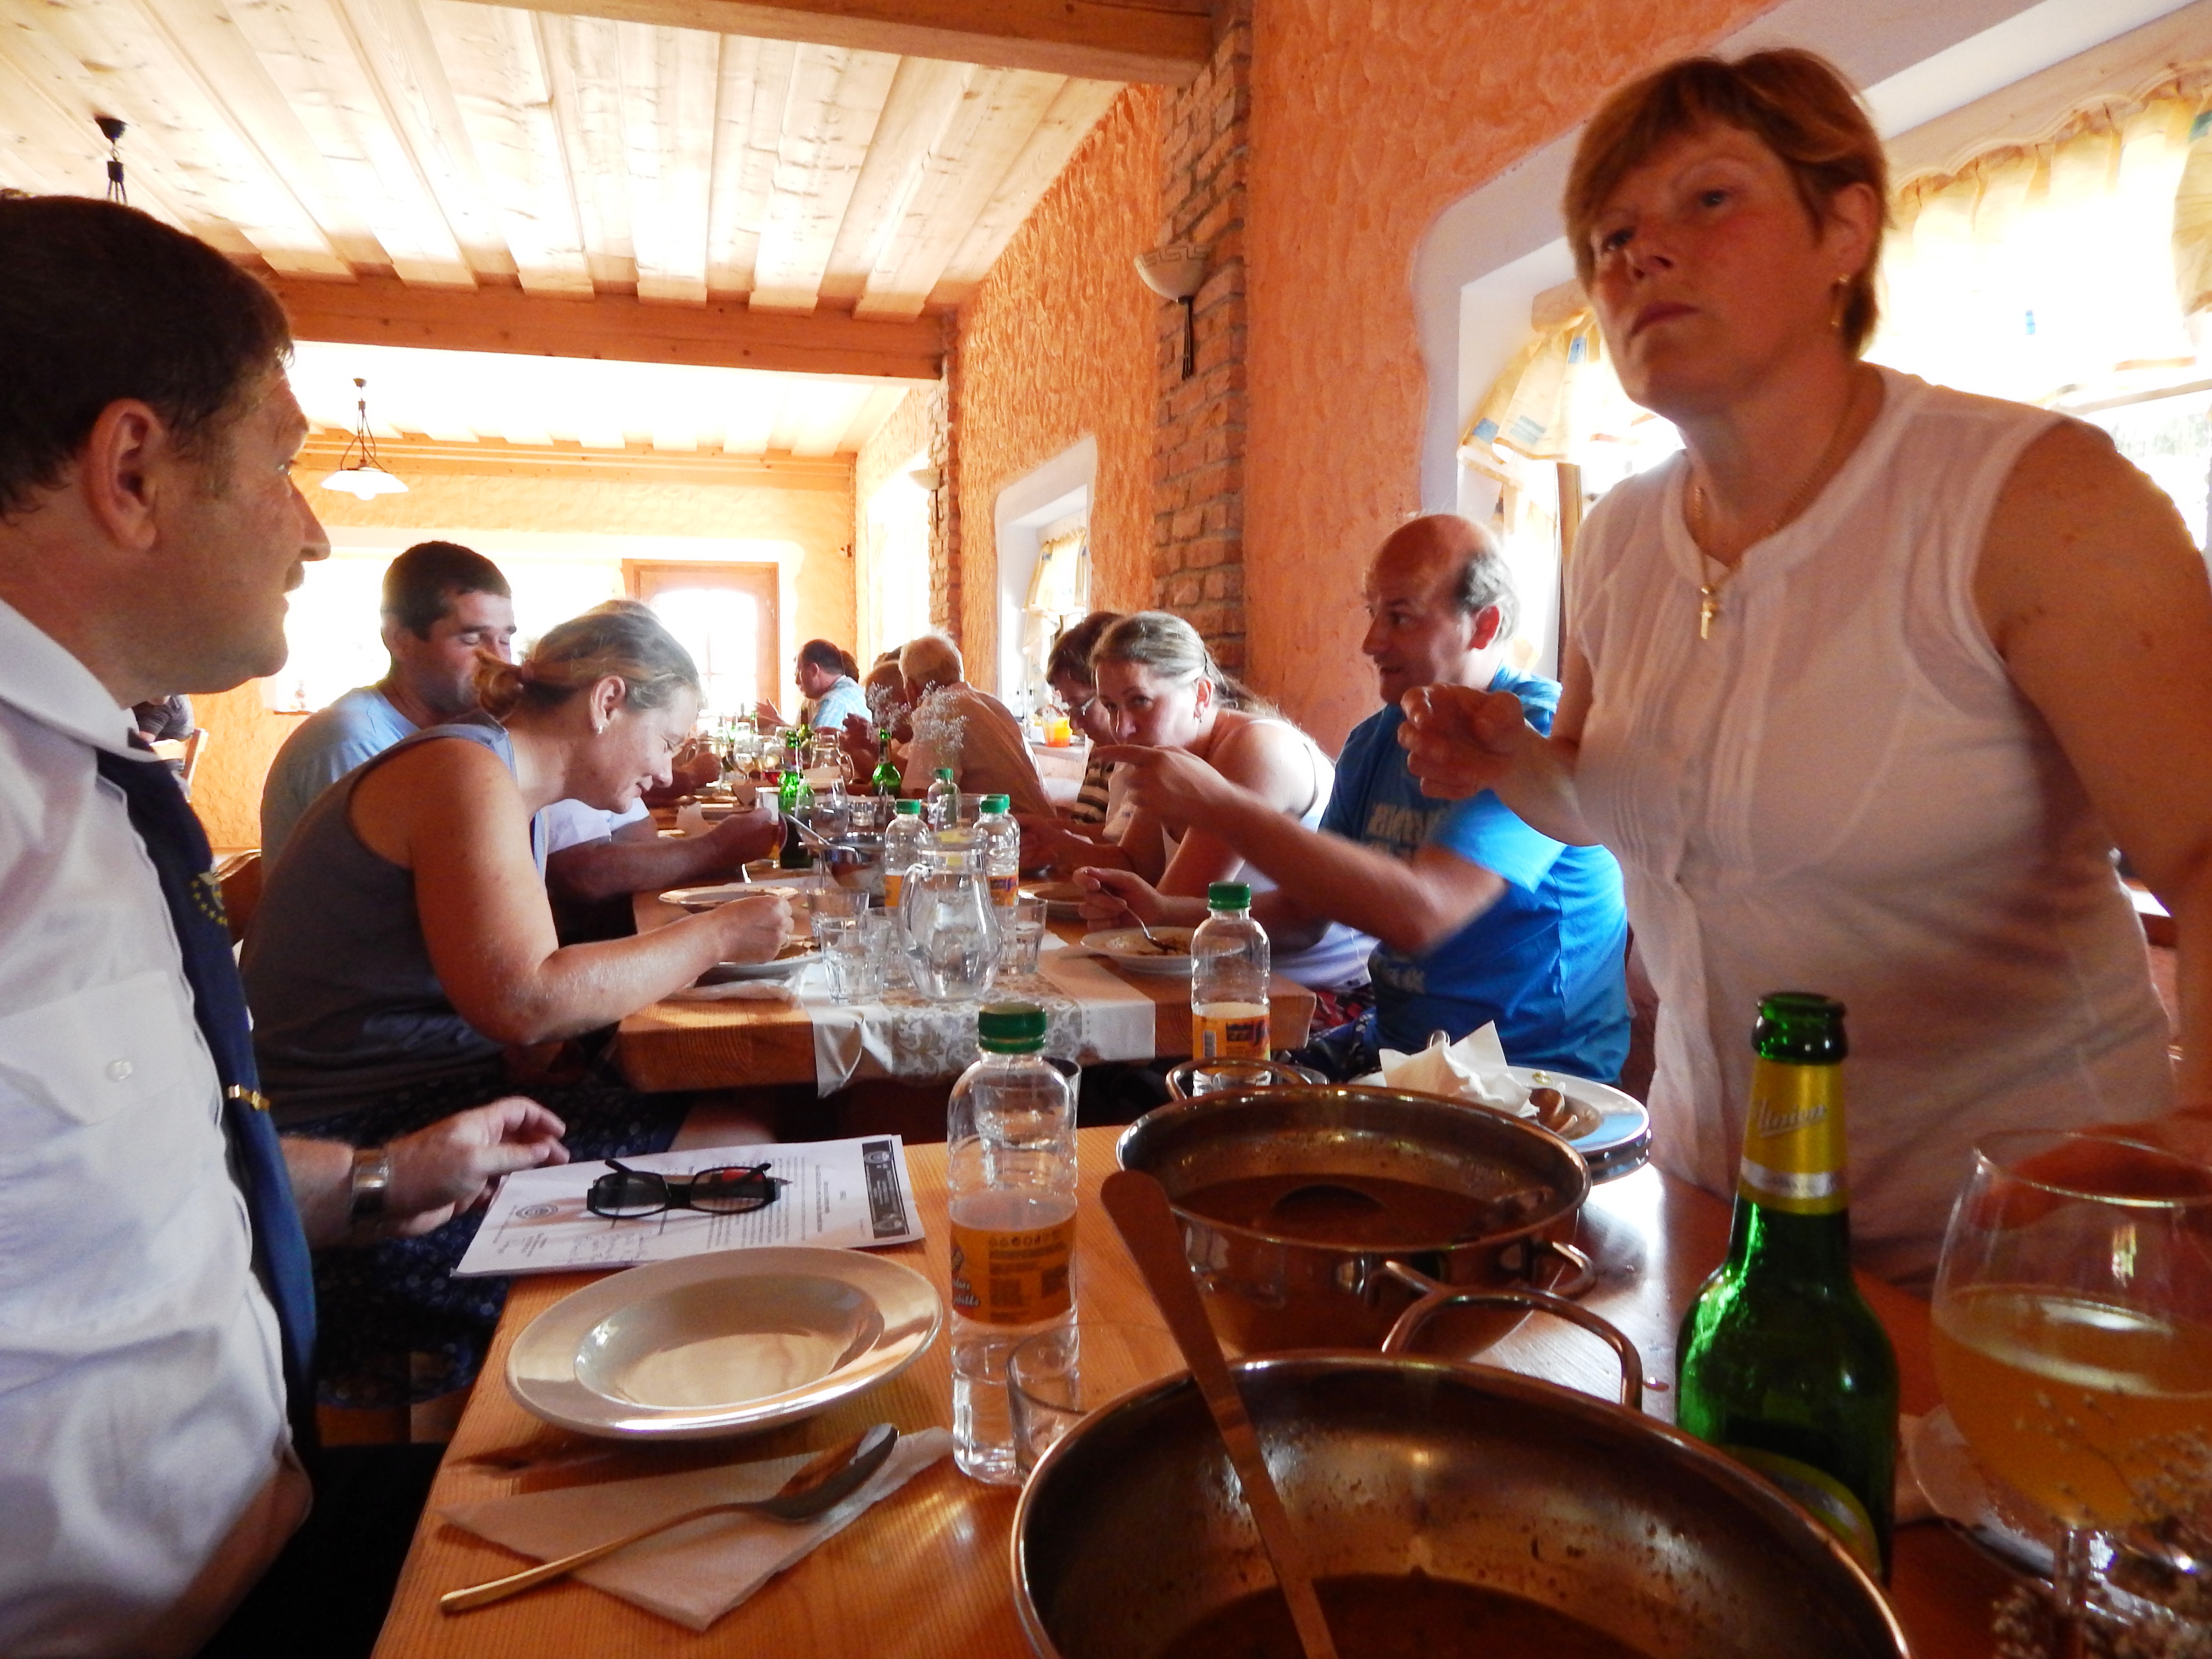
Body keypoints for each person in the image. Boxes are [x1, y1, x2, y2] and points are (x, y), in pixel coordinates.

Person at [1397, 49, 2212, 1285]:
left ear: (1846, 229)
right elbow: (1611, 803)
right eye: (1610, 236)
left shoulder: (2034, 499)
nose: (1641, 255)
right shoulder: (1619, 538)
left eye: (1709, 199)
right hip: (1716, 1225)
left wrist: (2201, 1132)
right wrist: (1513, 760)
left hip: (2012, 1251)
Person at [0, 193, 570, 1659]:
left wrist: (384, 1175)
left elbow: (106, 1179)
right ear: (132, 471)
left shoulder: (95, 783)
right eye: (284, 462)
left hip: (264, 1530)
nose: (314, 534)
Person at [241, 607, 791, 1407]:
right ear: (608, 701)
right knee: (740, 1161)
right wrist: (719, 934)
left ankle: (663, 1387)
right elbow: (528, 1000)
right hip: (355, 1165)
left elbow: (504, 1001)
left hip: (420, 1105)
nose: (665, 770)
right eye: (666, 741)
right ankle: (602, 1402)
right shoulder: (461, 772)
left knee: (744, 1122)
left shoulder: (491, 774)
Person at [1079, 519, 1630, 1080]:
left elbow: (1423, 914)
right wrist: (1165, 913)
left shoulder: (1529, 733)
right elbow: (1304, 916)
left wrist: (1220, 807)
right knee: (1160, 1094)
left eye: (1400, 616)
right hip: (1399, 1051)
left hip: (1528, 1072)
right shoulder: (1376, 739)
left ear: (1483, 626)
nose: (1371, 642)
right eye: (1372, 613)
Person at [1070, 611, 1374, 1003]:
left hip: (1316, 996)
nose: (1122, 727)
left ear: (1201, 695)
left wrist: (1131, 908)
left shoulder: (1256, 750)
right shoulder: (1171, 756)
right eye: (1111, 706)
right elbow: (1137, 866)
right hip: (1224, 979)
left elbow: (1168, 922)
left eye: (1140, 702)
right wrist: (1058, 847)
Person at [259, 540, 516, 864]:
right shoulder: (352, 742)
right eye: (472, 639)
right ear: (399, 639)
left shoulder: (465, 736)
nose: (499, 660)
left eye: (505, 639)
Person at [868, 632, 1054, 816]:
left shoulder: (939, 710)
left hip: (1011, 830)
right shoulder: (992, 704)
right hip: (1040, 824)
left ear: (910, 688)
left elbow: (924, 802)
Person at [755, 637, 869, 733]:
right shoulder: (848, 688)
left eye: (798, 673)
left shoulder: (834, 701)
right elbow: (805, 738)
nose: (797, 681)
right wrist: (778, 723)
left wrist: (775, 727)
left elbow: (812, 749)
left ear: (814, 670)